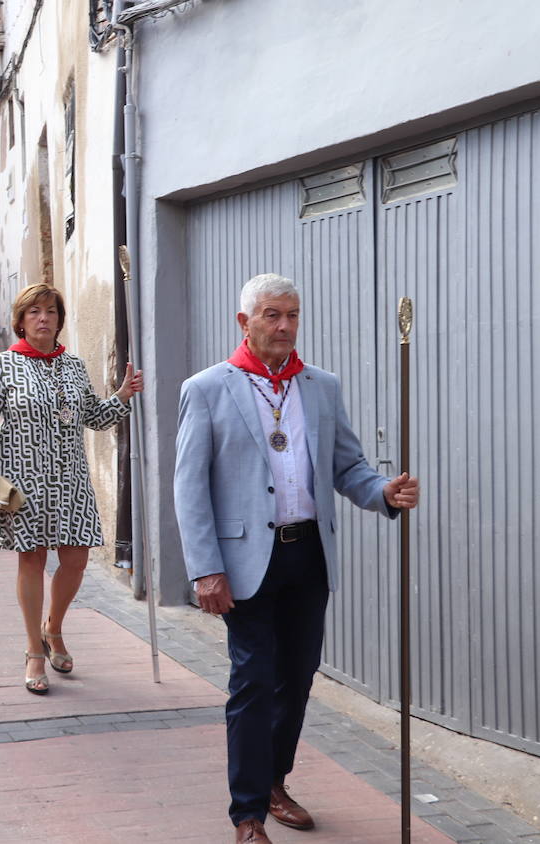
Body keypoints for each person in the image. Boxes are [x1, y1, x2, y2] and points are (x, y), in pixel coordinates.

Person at [174, 273, 420, 844]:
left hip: (308, 554)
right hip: (243, 562)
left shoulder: (321, 386)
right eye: (271, 315)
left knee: (297, 676)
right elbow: (189, 489)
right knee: (254, 680)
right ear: (245, 322)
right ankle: (248, 813)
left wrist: (382, 492)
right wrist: (205, 567)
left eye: (292, 315)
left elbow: (348, 467)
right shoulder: (208, 388)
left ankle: (275, 780)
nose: (284, 326)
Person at [0, 283, 143, 695]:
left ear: (60, 320)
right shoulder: (2, 366)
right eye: (34, 312)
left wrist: (122, 395)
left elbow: (95, 418)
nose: (43, 318)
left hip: (71, 481)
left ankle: (54, 627)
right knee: (31, 561)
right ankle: (33, 649)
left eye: (50, 311)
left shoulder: (74, 366)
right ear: (22, 321)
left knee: (76, 561)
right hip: (24, 481)